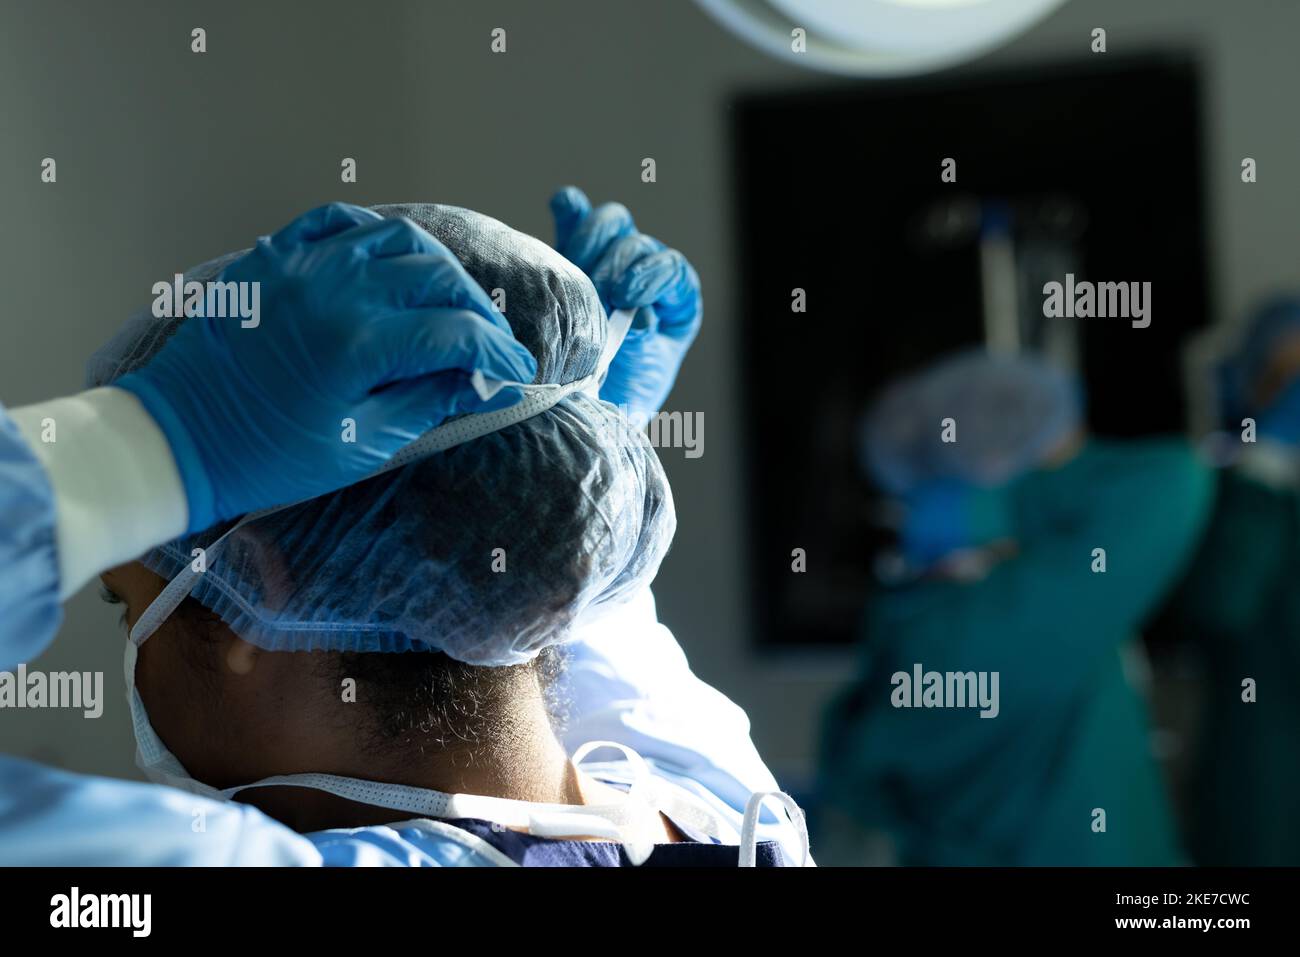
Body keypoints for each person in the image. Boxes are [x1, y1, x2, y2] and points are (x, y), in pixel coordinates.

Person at [0, 193, 807, 866]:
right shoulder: (726, 812)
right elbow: (603, 661)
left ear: (255, 583)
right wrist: (549, 471)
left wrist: (146, 448)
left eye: (123, 603)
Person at [816, 350, 1212, 865]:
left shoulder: (916, 618)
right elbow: (1174, 478)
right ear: (993, 471)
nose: (1077, 468)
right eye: (1056, 461)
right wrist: (1018, 501)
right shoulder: (1014, 614)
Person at [1165, 296, 1300, 865]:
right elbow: (1219, 605)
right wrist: (1265, 465)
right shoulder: (1227, 499)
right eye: (1283, 377)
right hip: (1265, 791)